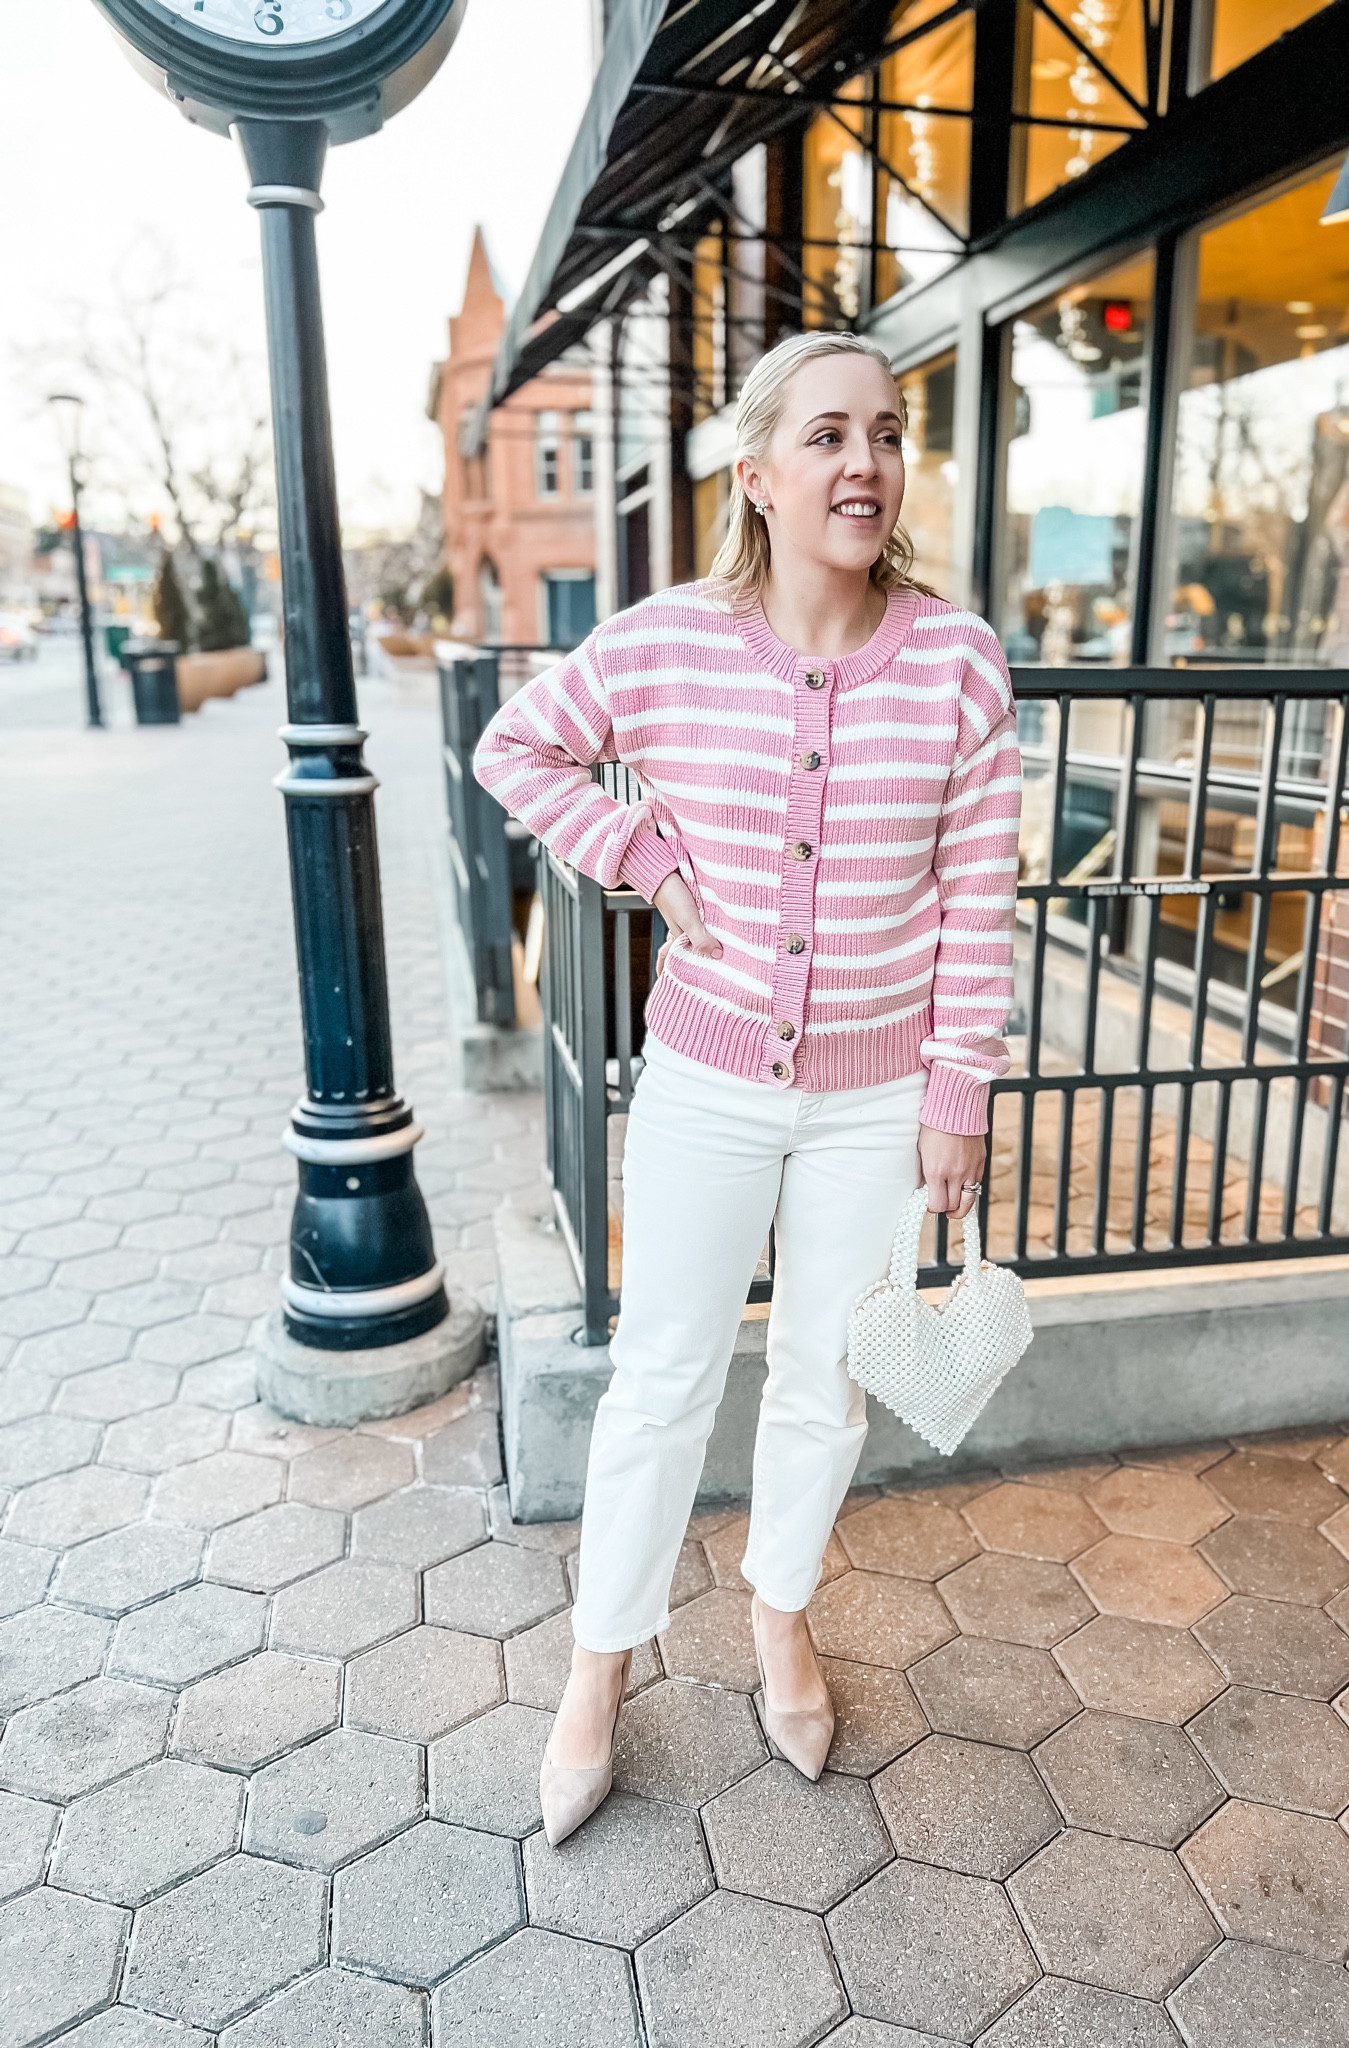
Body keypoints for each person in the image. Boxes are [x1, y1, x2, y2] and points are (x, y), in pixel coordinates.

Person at [473, 329, 1022, 1846]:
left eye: (888, 433)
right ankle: (600, 1666)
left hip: (877, 1100)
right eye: (828, 435)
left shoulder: (959, 662)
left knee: (823, 1383)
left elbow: (980, 899)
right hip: (707, 1085)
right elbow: (517, 750)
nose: (866, 463)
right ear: (760, 473)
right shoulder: (665, 643)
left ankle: (781, 1617)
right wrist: (643, 856)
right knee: (662, 1378)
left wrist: (957, 1093)